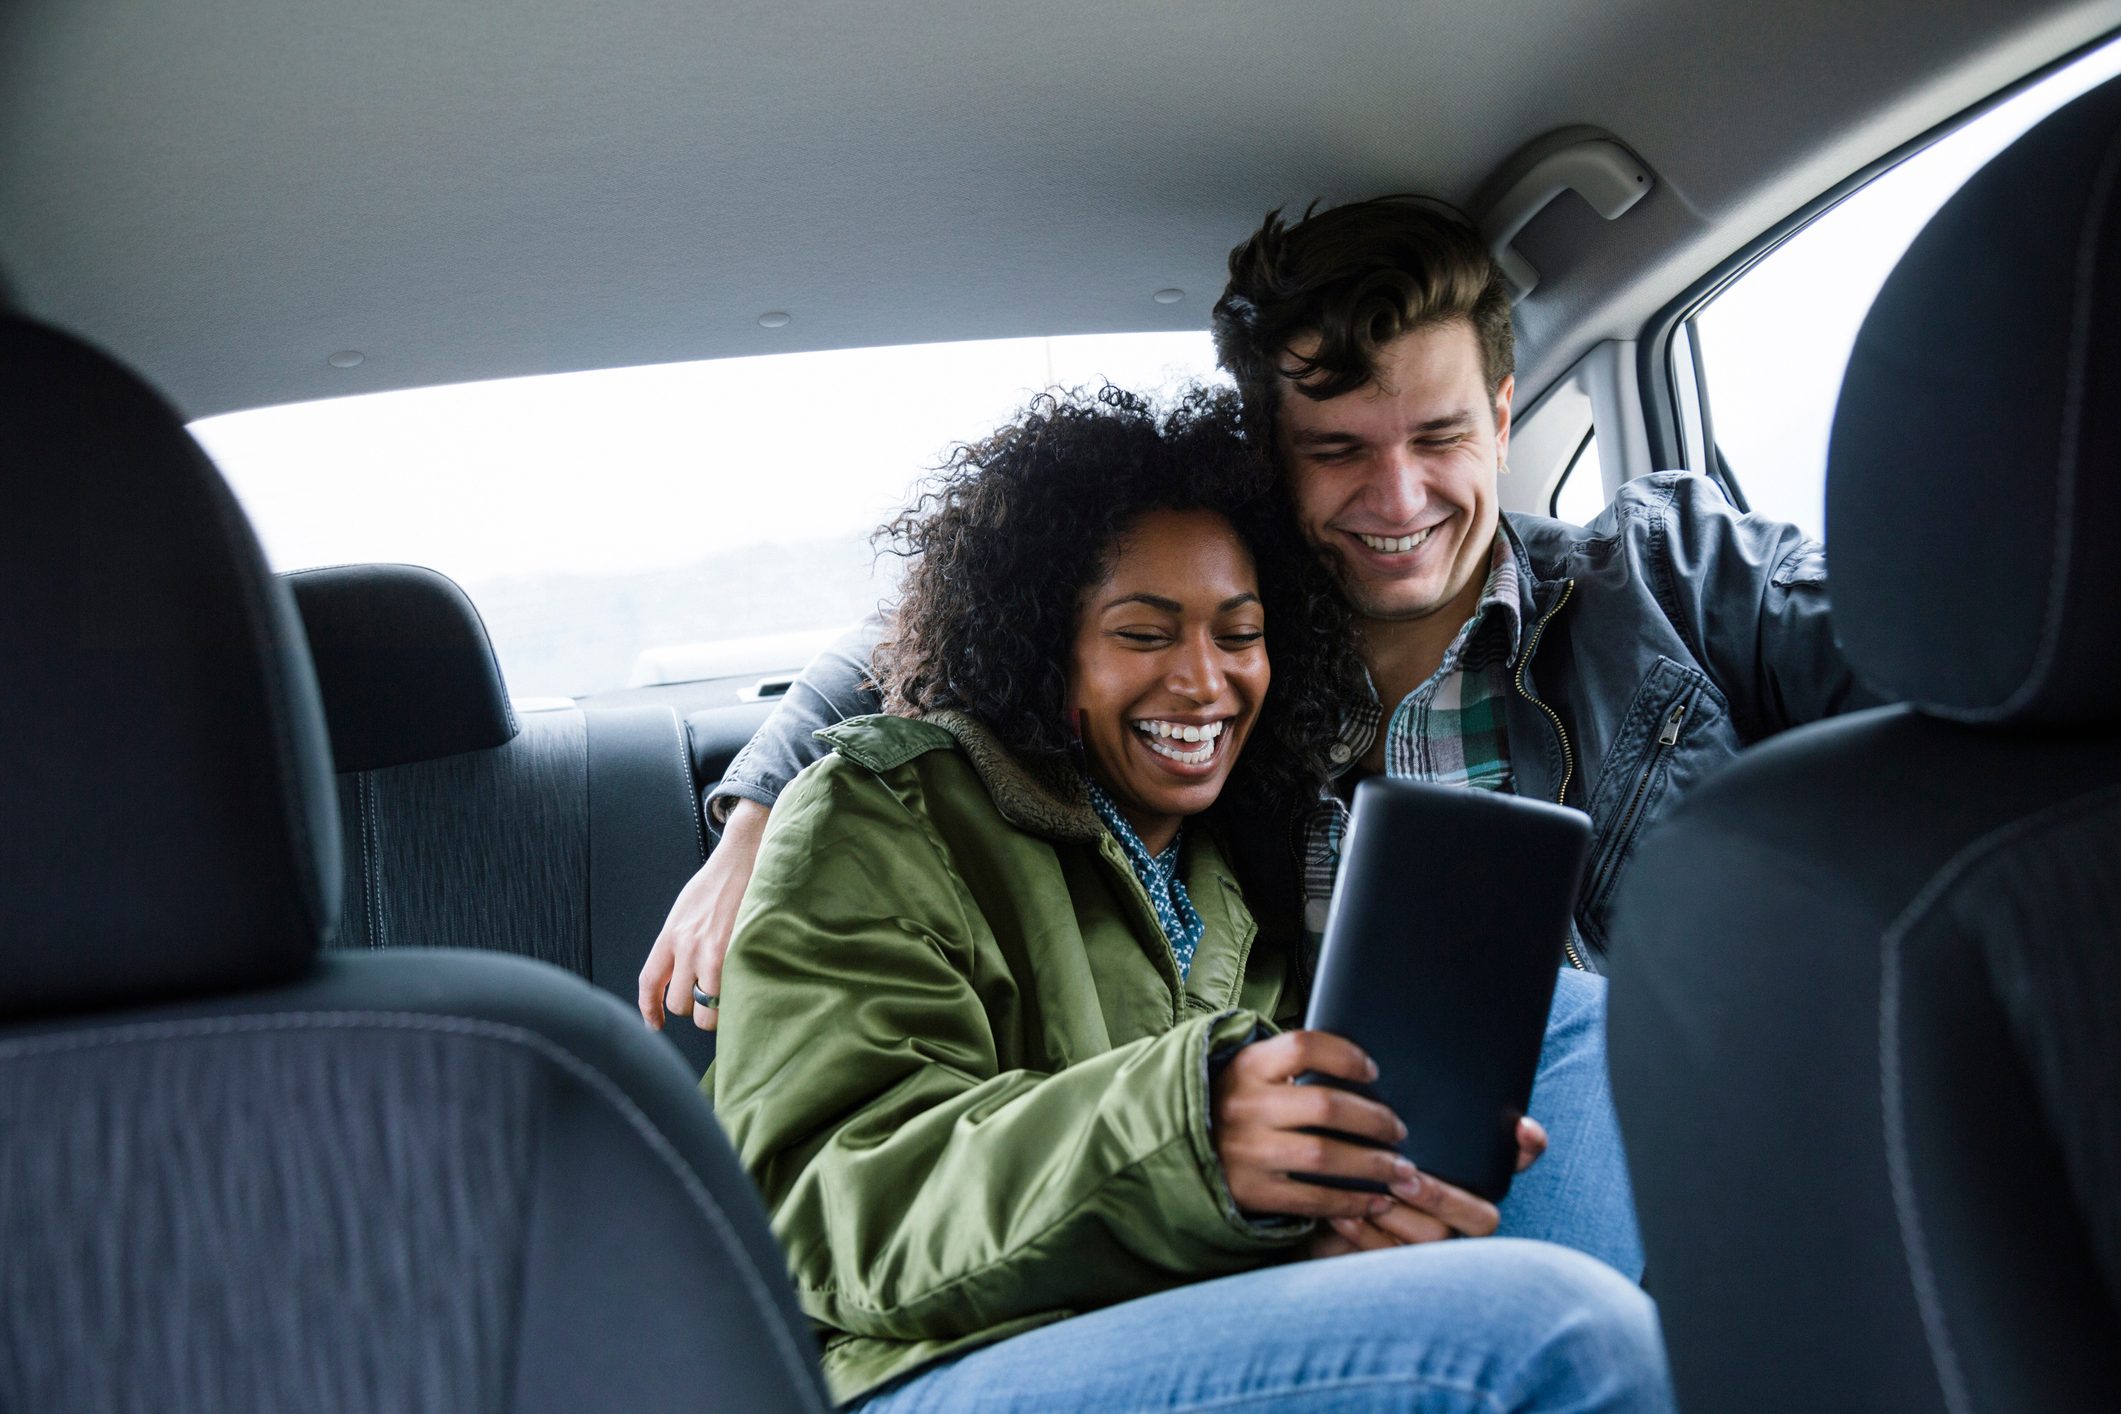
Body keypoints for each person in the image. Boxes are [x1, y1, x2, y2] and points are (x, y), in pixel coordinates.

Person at [640, 193, 1870, 1032]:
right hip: (1346, 1182)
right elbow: (934, 629)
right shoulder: (1217, 650)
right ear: (1270, 454)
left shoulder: (1668, 570)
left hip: (1688, 1114)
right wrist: (757, 814)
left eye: (1440, 436)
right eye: (1339, 449)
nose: (1399, 499)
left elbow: (1931, 633)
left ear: (1503, 416)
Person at [708, 384, 1669, 1410]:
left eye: (1238, 633)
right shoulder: (883, 812)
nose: (1206, 681)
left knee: (1588, 1028)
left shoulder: (1232, 872)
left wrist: (1325, 1215)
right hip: (922, 1373)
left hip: (1168, 1331)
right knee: (1560, 1332)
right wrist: (1191, 1133)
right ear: (1048, 646)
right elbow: (816, 1207)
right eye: (1144, 633)